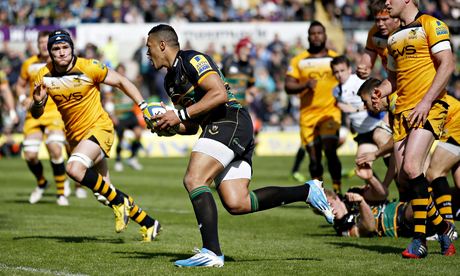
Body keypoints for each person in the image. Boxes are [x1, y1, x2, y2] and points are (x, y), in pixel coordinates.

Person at [145, 24, 333, 268]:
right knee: (237, 202)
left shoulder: (192, 59)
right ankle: (308, 191)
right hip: (224, 127)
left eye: (149, 48)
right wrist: (169, 128)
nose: (148, 54)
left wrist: (178, 115)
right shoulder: (170, 80)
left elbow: (219, 94)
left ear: (162, 45)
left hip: (229, 120)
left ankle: (211, 252)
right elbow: (191, 126)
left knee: (194, 179)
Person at [31, 29, 160, 241]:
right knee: (104, 193)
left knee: (73, 168)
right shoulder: (43, 75)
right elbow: (37, 113)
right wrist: (37, 102)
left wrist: (144, 106)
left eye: (65, 47)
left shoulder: (89, 67)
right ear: (50, 52)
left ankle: (120, 203)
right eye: (56, 49)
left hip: (100, 129)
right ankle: (149, 223)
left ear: (72, 48)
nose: (62, 52)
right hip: (75, 137)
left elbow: (122, 82)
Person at [371, 0, 456, 258]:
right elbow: (394, 80)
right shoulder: (394, 37)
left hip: (429, 107)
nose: (387, 2)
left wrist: (427, 101)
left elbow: (447, 65)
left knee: (410, 167)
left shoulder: (432, 24)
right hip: (402, 113)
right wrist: (381, 92)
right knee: (406, 179)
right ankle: (443, 228)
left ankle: (419, 240)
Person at [285, 21, 343, 194]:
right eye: (313, 33)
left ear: (325, 35)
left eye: (320, 33)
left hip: (330, 112)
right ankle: (321, 194)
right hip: (308, 115)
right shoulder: (298, 61)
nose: (316, 36)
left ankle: (338, 191)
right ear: (308, 37)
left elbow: (346, 80)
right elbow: (288, 86)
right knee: (314, 158)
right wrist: (304, 85)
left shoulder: (335, 58)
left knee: (330, 151)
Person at [15, 30, 72, 206]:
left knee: (55, 149)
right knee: (30, 155)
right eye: (40, 42)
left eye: (45, 42)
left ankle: (61, 193)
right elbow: (20, 85)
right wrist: (22, 98)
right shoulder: (28, 64)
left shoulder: (60, 63)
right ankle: (42, 183)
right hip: (34, 112)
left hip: (54, 112)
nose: (42, 45)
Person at [104, 63, 145, 172]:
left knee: (138, 133)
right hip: (119, 116)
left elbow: (137, 87)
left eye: (123, 71)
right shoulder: (111, 87)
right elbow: (108, 102)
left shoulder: (128, 84)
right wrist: (112, 116)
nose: (121, 73)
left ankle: (132, 157)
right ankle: (118, 160)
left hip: (129, 114)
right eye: (119, 71)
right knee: (121, 139)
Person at [356, 0, 400, 80]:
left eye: (384, 19)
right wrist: (362, 70)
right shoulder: (374, 32)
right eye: (377, 20)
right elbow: (366, 65)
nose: (380, 24)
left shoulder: (407, 32)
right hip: (392, 82)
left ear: (396, 18)